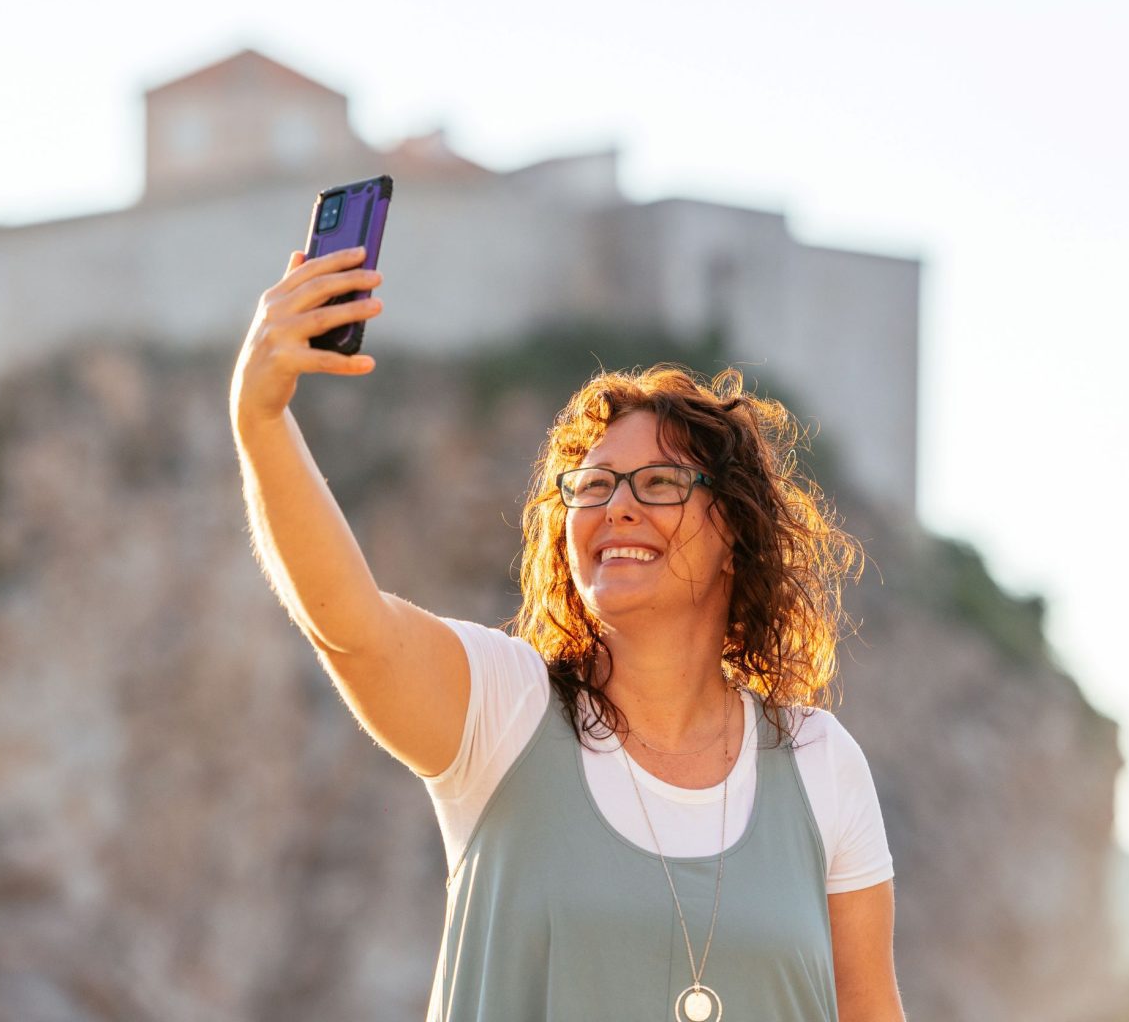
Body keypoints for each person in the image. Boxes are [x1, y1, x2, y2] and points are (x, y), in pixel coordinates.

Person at [230, 246, 906, 1021]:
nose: (618, 507)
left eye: (659, 483)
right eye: (593, 485)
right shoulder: (505, 711)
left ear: (736, 533)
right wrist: (261, 420)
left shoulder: (818, 761)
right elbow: (350, 624)